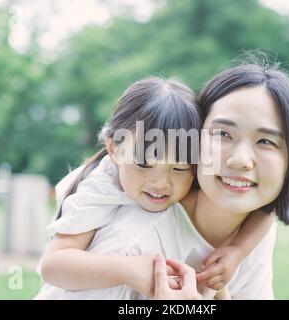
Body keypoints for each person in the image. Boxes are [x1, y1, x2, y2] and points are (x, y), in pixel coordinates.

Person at [35, 75, 276, 299]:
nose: (160, 183)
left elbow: (265, 209)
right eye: (143, 164)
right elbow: (53, 266)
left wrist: (238, 250)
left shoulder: (203, 182)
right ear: (114, 148)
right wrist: (129, 269)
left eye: (179, 168)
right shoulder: (99, 187)